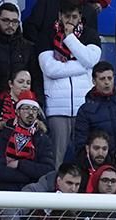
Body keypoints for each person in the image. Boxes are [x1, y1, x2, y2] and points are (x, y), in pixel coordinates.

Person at [39, 0, 103, 170]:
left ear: (80, 17)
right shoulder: (47, 34)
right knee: (55, 158)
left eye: (74, 17)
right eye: (67, 16)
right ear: (60, 16)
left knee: (84, 156)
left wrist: (70, 38)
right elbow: (50, 69)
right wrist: (82, 66)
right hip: (57, 108)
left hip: (84, 107)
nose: (70, 21)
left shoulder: (90, 34)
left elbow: (91, 60)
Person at [71, 61, 116, 159]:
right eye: (102, 79)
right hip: (101, 161)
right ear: (94, 81)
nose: (107, 82)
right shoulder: (85, 110)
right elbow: (81, 145)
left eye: (110, 78)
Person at [0, 92, 54, 190]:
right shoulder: (4, 134)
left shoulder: (42, 138)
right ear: (17, 111)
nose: (31, 113)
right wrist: (29, 176)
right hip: (6, 190)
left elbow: (47, 170)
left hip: (32, 190)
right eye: (26, 108)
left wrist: (20, 164)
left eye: (34, 109)